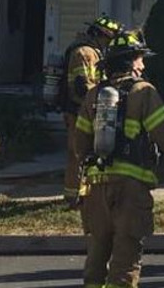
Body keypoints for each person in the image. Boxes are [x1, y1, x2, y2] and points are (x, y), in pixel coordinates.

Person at [74, 29, 164, 287]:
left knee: (97, 252)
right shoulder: (144, 92)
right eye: (140, 58)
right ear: (130, 62)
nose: (143, 64)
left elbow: (79, 145)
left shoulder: (93, 95)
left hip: (96, 188)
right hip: (131, 188)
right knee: (126, 254)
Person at [61, 15, 124, 206]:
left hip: (87, 109)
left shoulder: (94, 52)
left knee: (88, 152)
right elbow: (82, 87)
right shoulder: (85, 53)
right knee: (78, 152)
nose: (109, 44)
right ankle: (74, 196)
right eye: (108, 39)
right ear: (99, 35)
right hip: (79, 111)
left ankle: (84, 194)